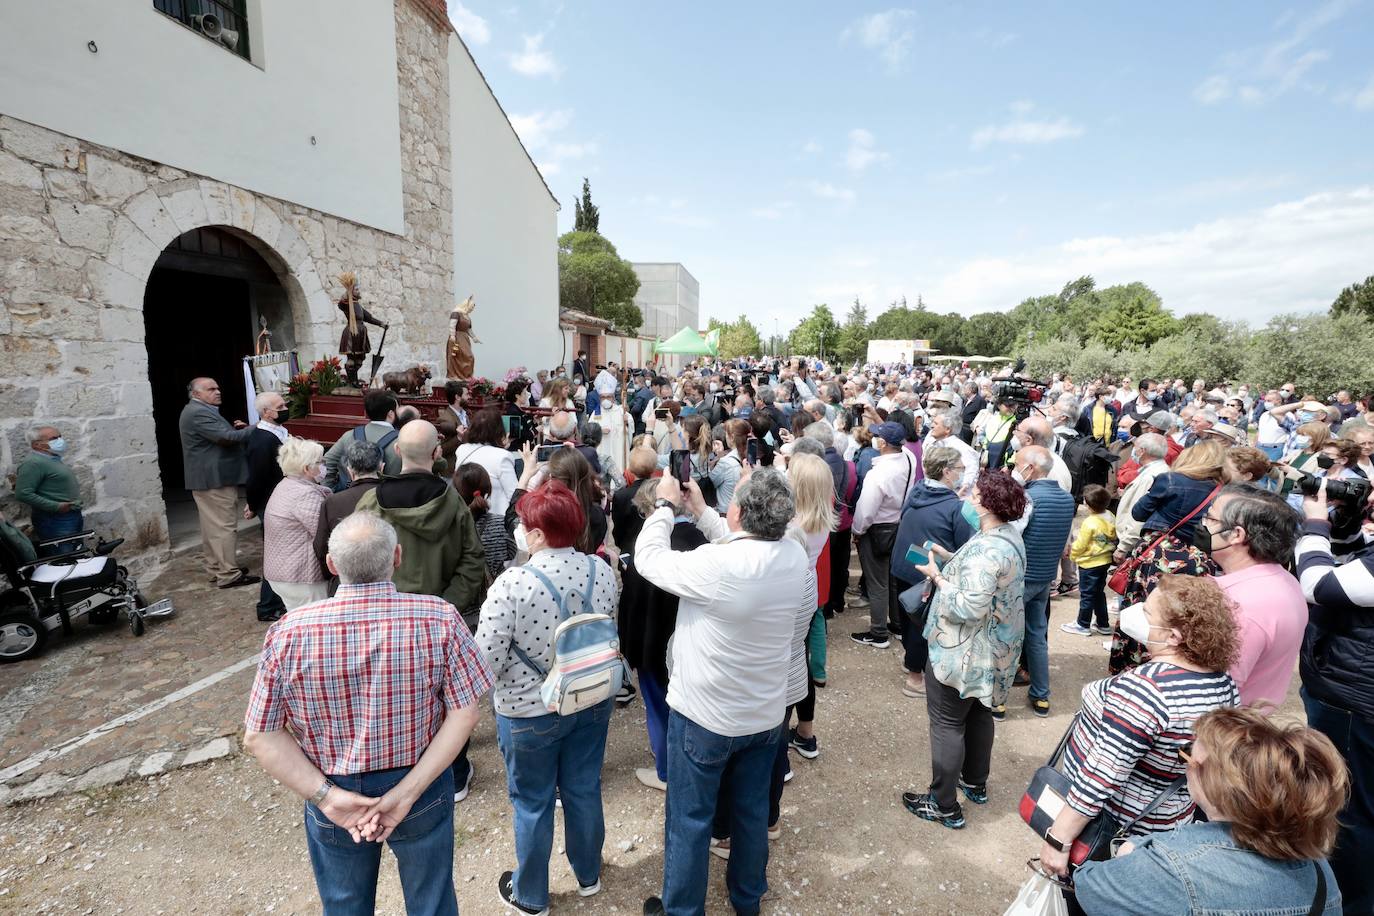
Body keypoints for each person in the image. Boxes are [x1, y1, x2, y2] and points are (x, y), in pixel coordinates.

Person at [243, 512, 490, 916]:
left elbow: (261, 735)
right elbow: (465, 712)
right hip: (420, 780)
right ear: (397, 557)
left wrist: (328, 798)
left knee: (345, 906)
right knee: (432, 901)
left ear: (331, 564)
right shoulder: (439, 618)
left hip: (332, 782)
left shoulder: (289, 632)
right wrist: (407, 792)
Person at [637, 469, 810, 916]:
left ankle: (682, 910)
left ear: (737, 511)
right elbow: (742, 541)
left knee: (689, 821)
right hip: (765, 714)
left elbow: (649, 559)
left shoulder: (718, 568)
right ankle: (747, 897)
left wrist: (664, 506)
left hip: (705, 717)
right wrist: (702, 512)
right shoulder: (794, 555)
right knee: (751, 814)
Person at [472, 482, 619, 915]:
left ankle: (532, 894)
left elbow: (487, 659)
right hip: (590, 698)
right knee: (583, 787)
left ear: (536, 534)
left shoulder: (512, 582)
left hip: (527, 709)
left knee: (532, 802)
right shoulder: (602, 570)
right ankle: (588, 872)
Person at [1037, 574, 1240, 879]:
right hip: (1165, 824)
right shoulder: (1222, 683)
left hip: (1108, 830)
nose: (1136, 613)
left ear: (1173, 636)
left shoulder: (1146, 690)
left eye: (1147, 612)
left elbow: (1101, 775)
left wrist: (1058, 839)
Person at [1073, 708, 1344, 916]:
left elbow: (1089, 887)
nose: (1185, 765)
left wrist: (1132, 849)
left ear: (1213, 780)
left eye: (1188, 756)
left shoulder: (1172, 867)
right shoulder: (1320, 871)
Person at [354, 420, 488, 802]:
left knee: (392, 692)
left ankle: (400, 766)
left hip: (381, 617)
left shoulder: (370, 503)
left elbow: (356, 559)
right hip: (438, 616)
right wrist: (446, 604)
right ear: (436, 454)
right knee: (450, 697)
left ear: (396, 451)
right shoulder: (453, 503)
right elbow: (472, 559)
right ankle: (455, 772)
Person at [903, 470, 1027, 829]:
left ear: (987, 505)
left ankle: (943, 804)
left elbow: (969, 606)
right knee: (979, 712)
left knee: (946, 722)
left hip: (964, 652)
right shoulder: (1007, 536)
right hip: (995, 649)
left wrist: (936, 576)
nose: (969, 499)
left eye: (974, 495)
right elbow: (984, 575)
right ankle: (975, 781)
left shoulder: (988, 549)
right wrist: (949, 556)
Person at [1296, 479, 1374, 912]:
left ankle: (1346, 901)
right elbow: (1354, 568)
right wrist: (1345, 528)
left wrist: (1315, 525)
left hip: (1353, 703)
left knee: (1350, 810)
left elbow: (1319, 586)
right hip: (1354, 691)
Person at [618, 482, 710, 791]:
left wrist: (626, 646)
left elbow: (630, 602)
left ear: (649, 510)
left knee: (658, 706)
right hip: (694, 645)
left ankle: (667, 771)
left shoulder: (642, 546)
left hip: (650, 644)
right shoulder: (702, 541)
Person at [1110, 441, 1226, 674]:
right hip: (1199, 560)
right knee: (1182, 617)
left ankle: (1132, 667)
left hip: (1161, 556)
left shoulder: (1170, 480)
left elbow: (1138, 512)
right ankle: (1174, 667)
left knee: (1145, 612)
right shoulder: (1222, 490)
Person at [889, 446, 975, 697]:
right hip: (927, 574)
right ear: (947, 472)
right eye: (960, 468)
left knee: (908, 619)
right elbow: (964, 546)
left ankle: (911, 664)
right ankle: (916, 678)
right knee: (922, 625)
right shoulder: (955, 507)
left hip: (905, 563)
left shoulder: (918, 491)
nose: (962, 473)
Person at [1012, 446, 1076, 718]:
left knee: (1005, 636)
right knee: (1037, 636)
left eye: (1017, 464)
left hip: (1021, 578)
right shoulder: (1066, 499)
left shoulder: (1027, 497)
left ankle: (998, 700)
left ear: (1030, 467)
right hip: (1045, 576)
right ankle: (1041, 695)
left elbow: (1013, 535)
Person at [179, 377, 258, 589]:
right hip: (215, 479)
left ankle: (218, 568)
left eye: (218, 387)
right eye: (211, 389)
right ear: (196, 394)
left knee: (211, 527)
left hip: (208, 479)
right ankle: (229, 574)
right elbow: (225, 438)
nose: (217, 391)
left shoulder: (198, 410)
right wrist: (258, 427)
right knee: (224, 527)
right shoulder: (198, 412)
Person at [780, 454, 833, 763]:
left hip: (790, 593)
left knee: (785, 666)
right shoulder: (821, 518)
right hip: (808, 591)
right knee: (801, 661)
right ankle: (806, 733)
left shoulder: (791, 525)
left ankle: (781, 747)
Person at [851, 421, 919, 648]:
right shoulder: (908, 457)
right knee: (891, 578)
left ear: (882, 443)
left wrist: (857, 531)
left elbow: (865, 511)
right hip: (898, 524)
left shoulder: (878, 474)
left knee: (877, 582)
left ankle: (878, 632)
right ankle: (898, 624)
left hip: (879, 528)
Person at [261, 437, 331, 611]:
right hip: (302, 577)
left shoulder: (285, 485)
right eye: (320, 461)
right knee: (314, 626)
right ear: (307, 469)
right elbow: (325, 533)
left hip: (283, 573)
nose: (324, 464)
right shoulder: (305, 495)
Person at [313, 439, 384, 592]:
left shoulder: (333, 502)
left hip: (345, 580)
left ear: (349, 471)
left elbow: (321, 547)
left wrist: (332, 575)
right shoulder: (394, 498)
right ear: (381, 467)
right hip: (388, 577)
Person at [245, 391, 290, 620]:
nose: (285, 408)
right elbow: (256, 478)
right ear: (266, 413)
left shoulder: (276, 432)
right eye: (280, 406)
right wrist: (252, 505)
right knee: (275, 556)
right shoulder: (262, 440)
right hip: (270, 503)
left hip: (280, 500)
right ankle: (267, 606)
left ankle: (278, 600)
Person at [454, 463, 514, 628]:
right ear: (487, 490)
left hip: (461, 610)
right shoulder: (501, 524)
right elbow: (512, 554)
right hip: (495, 606)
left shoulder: (451, 527)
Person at [16, 424, 84, 557]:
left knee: (75, 555)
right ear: (37, 445)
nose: (60, 441)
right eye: (54, 438)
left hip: (68, 516)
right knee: (64, 558)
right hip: (54, 519)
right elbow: (23, 493)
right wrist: (56, 506)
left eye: (60, 437)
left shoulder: (52, 459)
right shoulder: (33, 463)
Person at [1061, 484, 1116, 637]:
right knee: (1098, 593)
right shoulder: (1110, 516)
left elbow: (1081, 544)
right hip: (1104, 560)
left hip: (1089, 563)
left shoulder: (1090, 522)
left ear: (1087, 504)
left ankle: (1082, 624)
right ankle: (1102, 623)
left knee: (1086, 594)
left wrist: (1072, 555)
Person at [321, 389, 401, 490]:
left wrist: (329, 489)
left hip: (349, 498)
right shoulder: (402, 440)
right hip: (387, 500)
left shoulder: (349, 435)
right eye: (398, 409)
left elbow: (326, 462)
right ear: (390, 414)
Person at [450, 407, 519, 516]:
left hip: (466, 513)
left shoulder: (461, 449)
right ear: (499, 430)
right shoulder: (503, 457)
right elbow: (515, 495)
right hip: (496, 518)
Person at [1112, 433, 1169, 564]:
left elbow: (1138, 514)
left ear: (1142, 451)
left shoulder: (1151, 476)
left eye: (1135, 447)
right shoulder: (1156, 470)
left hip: (1134, 542)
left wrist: (1123, 547)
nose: (1134, 451)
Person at [611, 447, 660, 553]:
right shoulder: (660, 491)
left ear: (630, 468)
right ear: (654, 467)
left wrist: (621, 544)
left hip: (630, 549)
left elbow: (618, 528)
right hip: (656, 547)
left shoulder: (621, 496)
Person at [707, 418, 750, 513]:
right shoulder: (751, 457)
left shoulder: (725, 462)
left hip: (726, 512)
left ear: (732, 437)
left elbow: (709, 483)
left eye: (726, 434)